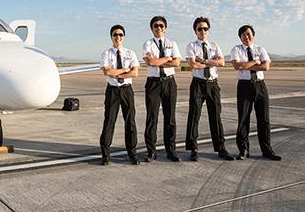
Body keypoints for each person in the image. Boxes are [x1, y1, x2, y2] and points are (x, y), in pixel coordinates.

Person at [185, 17, 235, 161]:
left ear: (208, 30)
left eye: (205, 28)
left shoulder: (214, 45)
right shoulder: (191, 46)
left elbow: (222, 62)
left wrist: (205, 61)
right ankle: (193, 149)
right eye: (199, 29)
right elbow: (193, 65)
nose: (202, 31)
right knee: (194, 116)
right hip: (198, 84)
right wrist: (210, 63)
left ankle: (221, 148)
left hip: (213, 84)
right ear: (195, 31)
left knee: (216, 117)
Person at [231, 25, 282, 161]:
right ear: (240, 37)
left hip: (260, 86)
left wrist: (246, 65)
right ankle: (243, 150)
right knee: (243, 119)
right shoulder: (236, 49)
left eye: (248, 34)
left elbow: (266, 66)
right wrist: (255, 61)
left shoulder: (261, 49)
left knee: (264, 119)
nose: (246, 37)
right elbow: (238, 66)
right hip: (244, 86)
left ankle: (267, 150)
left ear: (253, 34)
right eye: (243, 35)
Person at [99, 24, 140, 165]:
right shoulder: (106, 54)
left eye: (121, 35)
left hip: (127, 90)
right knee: (109, 122)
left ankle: (132, 153)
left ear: (124, 37)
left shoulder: (130, 53)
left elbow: (135, 73)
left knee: (130, 122)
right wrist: (126, 69)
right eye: (115, 35)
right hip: (112, 91)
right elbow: (107, 72)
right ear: (111, 37)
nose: (118, 37)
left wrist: (118, 71)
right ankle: (105, 155)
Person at [142, 16, 181, 162]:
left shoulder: (172, 43)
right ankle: (151, 152)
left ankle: (171, 150)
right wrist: (167, 58)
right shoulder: (147, 44)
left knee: (170, 118)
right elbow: (151, 62)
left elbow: (177, 63)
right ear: (152, 28)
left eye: (161, 26)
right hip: (153, 84)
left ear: (165, 28)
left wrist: (159, 61)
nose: (159, 28)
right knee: (152, 118)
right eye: (155, 26)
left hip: (169, 83)